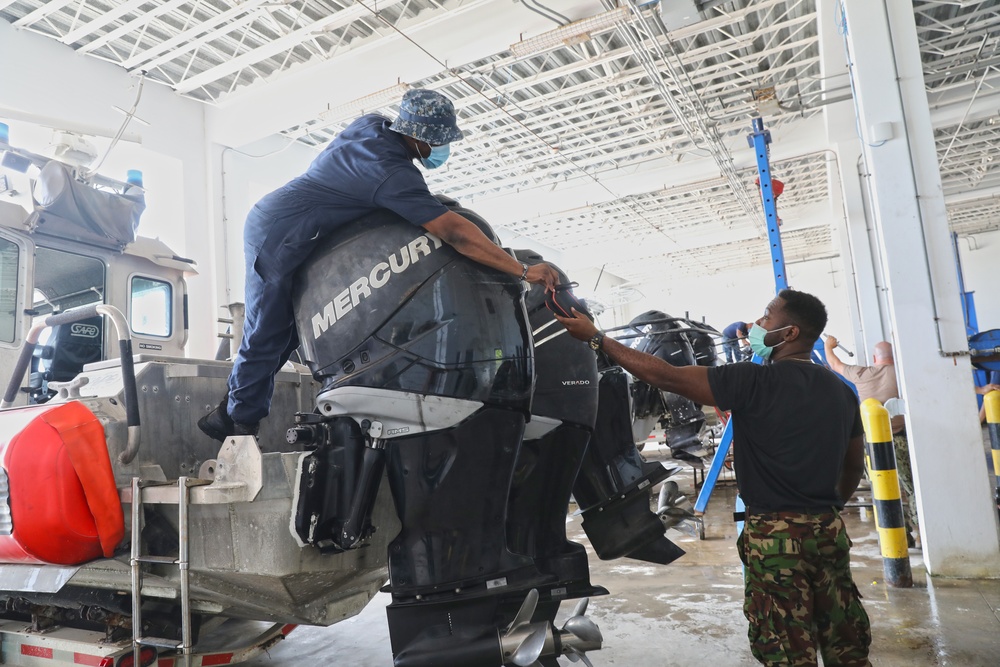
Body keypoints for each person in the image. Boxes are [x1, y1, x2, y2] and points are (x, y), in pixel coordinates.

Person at [199, 89, 560, 441]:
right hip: (277, 231)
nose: (442, 149)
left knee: (291, 331)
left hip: (305, 230)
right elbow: (455, 234)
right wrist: (524, 272)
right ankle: (238, 427)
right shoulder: (392, 175)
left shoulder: (372, 126)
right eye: (439, 141)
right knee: (267, 330)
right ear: (420, 139)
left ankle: (229, 411)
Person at [555, 290, 871, 667]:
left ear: (789, 333)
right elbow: (853, 466)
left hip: (774, 536)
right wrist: (826, 507)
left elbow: (667, 376)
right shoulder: (840, 391)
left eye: (767, 317)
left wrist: (597, 339)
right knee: (845, 641)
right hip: (828, 530)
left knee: (786, 647)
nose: (757, 325)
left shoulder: (753, 381)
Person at [824, 337, 918, 544]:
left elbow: (834, 364)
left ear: (876, 358)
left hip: (873, 445)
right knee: (910, 487)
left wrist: (828, 346)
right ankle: (920, 527)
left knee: (882, 488)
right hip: (901, 440)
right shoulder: (903, 376)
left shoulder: (862, 374)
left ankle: (901, 534)